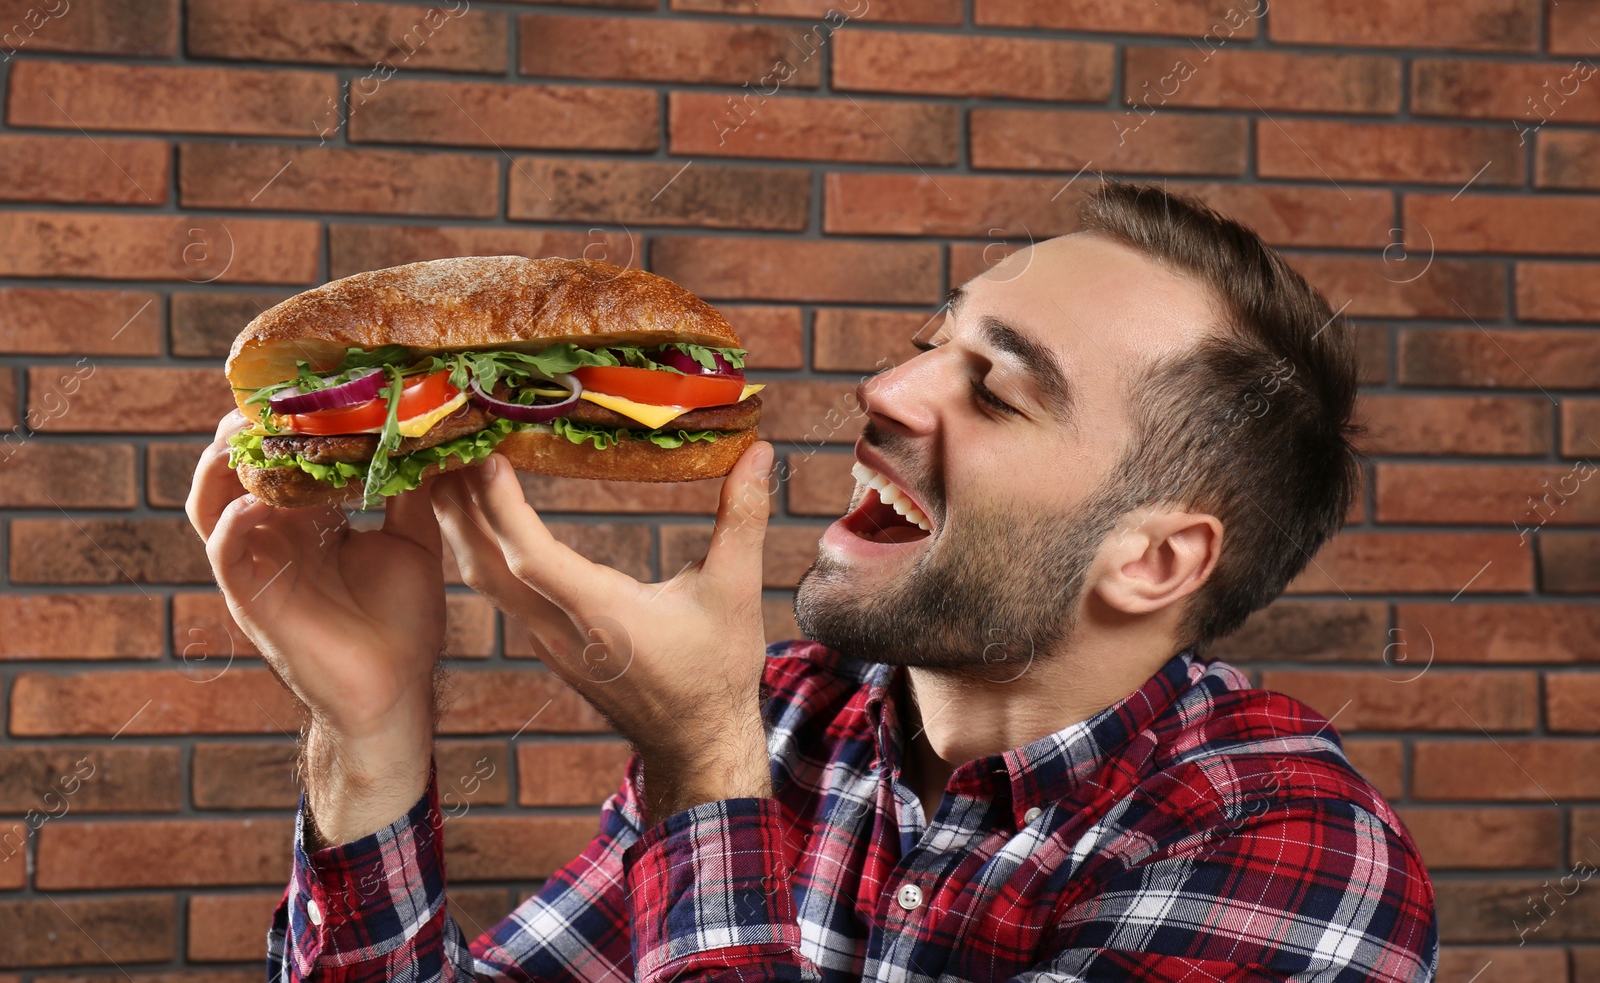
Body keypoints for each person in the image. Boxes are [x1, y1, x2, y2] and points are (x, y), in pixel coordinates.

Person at [187, 181, 1438, 982]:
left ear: (1154, 559)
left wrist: (699, 762)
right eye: (927, 342)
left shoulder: (1288, 848)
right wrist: (372, 730)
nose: (887, 391)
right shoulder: (792, 719)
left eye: (992, 386)